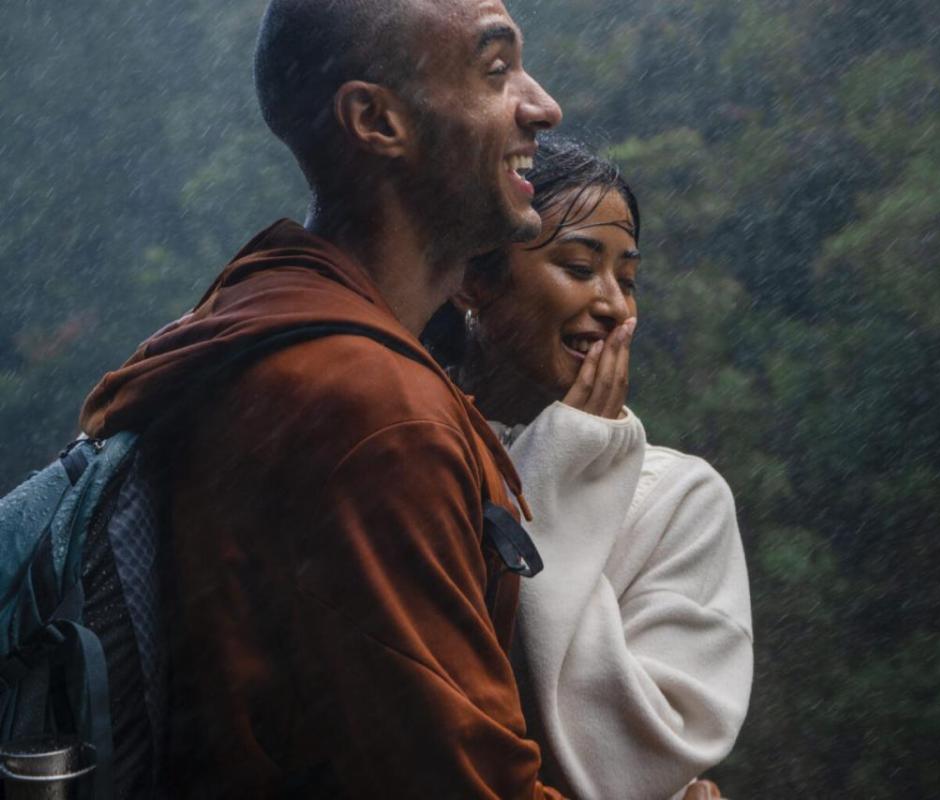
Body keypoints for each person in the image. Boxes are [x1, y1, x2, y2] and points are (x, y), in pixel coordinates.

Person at [78, 0, 572, 796]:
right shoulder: (372, 413)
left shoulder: (260, 315)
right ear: (376, 121)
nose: (543, 105)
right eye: (495, 70)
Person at [423, 136, 754, 800]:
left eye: (627, 279)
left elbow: (625, 766)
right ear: (473, 281)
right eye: (579, 267)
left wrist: (572, 471)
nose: (614, 305)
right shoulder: (411, 456)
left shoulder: (679, 500)